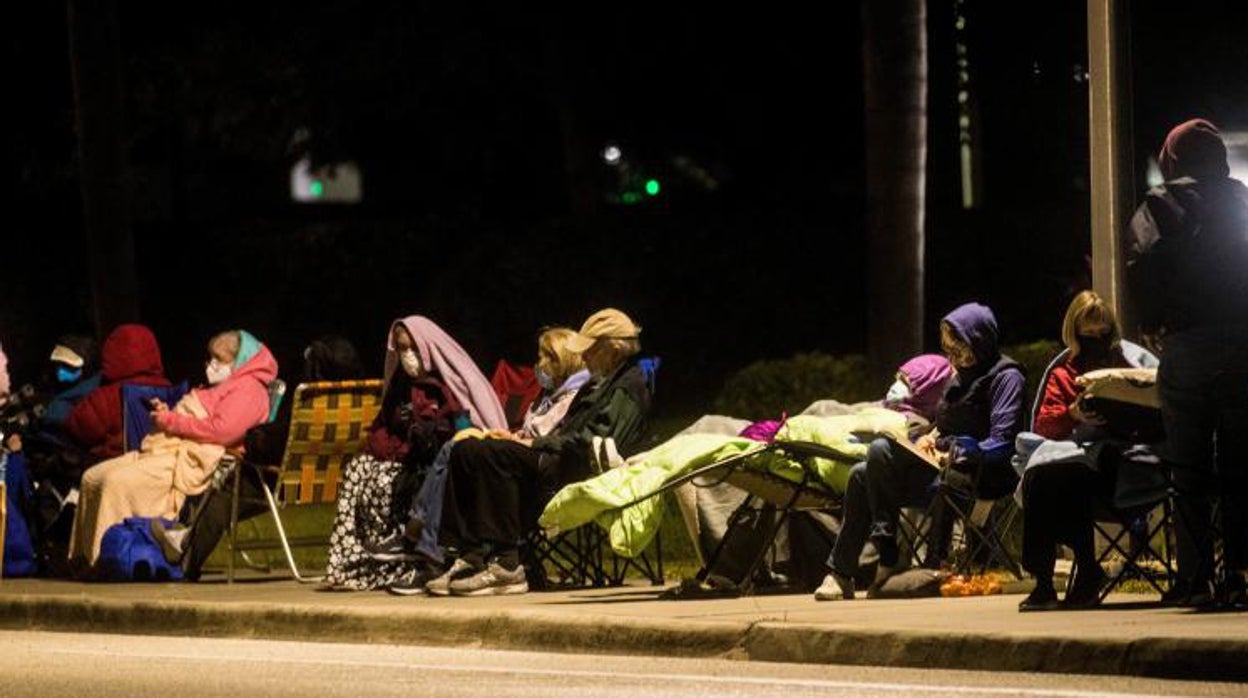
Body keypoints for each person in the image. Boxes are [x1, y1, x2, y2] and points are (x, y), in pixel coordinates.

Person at [429, 308, 651, 597]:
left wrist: (535, 444)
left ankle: (507, 564)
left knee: (495, 454)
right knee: (466, 449)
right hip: (559, 458)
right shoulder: (599, 383)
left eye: (590, 350)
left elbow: (595, 443)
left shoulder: (628, 385)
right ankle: (471, 554)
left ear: (613, 349)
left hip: (580, 469)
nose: (583, 357)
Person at [815, 302, 1025, 601]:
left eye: (959, 350)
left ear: (979, 341)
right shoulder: (959, 379)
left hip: (979, 474)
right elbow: (944, 426)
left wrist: (958, 450)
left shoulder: (1006, 376)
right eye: (948, 351)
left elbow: (1003, 440)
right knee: (864, 470)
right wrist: (928, 439)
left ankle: (890, 553)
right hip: (941, 469)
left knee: (876, 456)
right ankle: (842, 573)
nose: (953, 359)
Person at [1125, 118, 1248, 605]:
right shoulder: (1240, 200)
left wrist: (1152, 322)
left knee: (1188, 467)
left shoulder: (1160, 204)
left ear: (1172, 157)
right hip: (1241, 343)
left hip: (1188, 344)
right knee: (1241, 464)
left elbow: (1142, 260)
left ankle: (1195, 579)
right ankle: (1239, 574)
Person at [379, 326, 590, 595]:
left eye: (545, 357)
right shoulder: (547, 395)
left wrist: (522, 441)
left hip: (547, 465)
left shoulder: (577, 394)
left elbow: (559, 437)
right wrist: (513, 436)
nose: (539, 364)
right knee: (463, 448)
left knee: (480, 452)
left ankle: (440, 549)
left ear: (563, 360)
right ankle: (468, 553)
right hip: (524, 453)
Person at [153, 335, 368, 580]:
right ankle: (185, 538)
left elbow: (273, 443)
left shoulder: (310, 404)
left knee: (226, 491)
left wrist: (254, 439)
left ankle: (187, 553)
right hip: (344, 481)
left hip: (291, 484)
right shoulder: (364, 400)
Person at [67, 330, 277, 569]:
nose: (211, 364)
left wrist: (170, 421)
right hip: (167, 448)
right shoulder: (221, 386)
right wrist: (168, 413)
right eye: (211, 357)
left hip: (191, 457)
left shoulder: (249, 390)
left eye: (219, 359)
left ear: (239, 361)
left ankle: (106, 560)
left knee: (114, 483)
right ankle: (81, 559)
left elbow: (221, 432)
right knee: (92, 477)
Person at [323, 316, 506, 590]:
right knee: (357, 470)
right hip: (402, 454)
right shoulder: (401, 383)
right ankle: (353, 565)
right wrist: (393, 448)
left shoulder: (449, 382)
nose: (407, 356)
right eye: (401, 349)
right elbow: (383, 426)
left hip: (440, 456)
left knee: (403, 477)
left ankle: (413, 550)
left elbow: (464, 427)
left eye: (412, 348)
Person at [1017, 290, 1151, 611]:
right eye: (1088, 334)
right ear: (1075, 333)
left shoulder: (1127, 365)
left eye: (1102, 333)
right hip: (1077, 467)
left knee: (1064, 475)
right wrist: (1073, 414)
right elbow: (1044, 426)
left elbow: (1154, 410)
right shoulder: (1063, 374)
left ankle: (1080, 573)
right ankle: (1048, 579)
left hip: (1122, 466)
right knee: (1043, 475)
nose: (1096, 340)